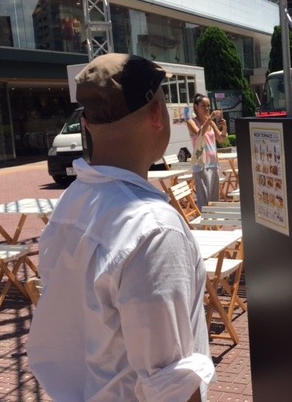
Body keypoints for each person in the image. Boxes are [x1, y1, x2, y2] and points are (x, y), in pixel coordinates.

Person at [27, 54, 214, 401]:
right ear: (157, 114)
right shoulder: (154, 228)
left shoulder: (72, 202)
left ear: (86, 124)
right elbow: (171, 384)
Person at [186, 93, 228, 208]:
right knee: (203, 197)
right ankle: (205, 219)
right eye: (203, 106)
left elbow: (221, 139)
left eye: (208, 106)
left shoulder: (211, 123)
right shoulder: (191, 122)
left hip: (213, 161)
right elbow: (199, 133)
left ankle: (214, 219)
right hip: (200, 162)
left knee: (214, 197)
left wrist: (224, 127)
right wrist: (210, 119)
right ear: (196, 107)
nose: (207, 108)